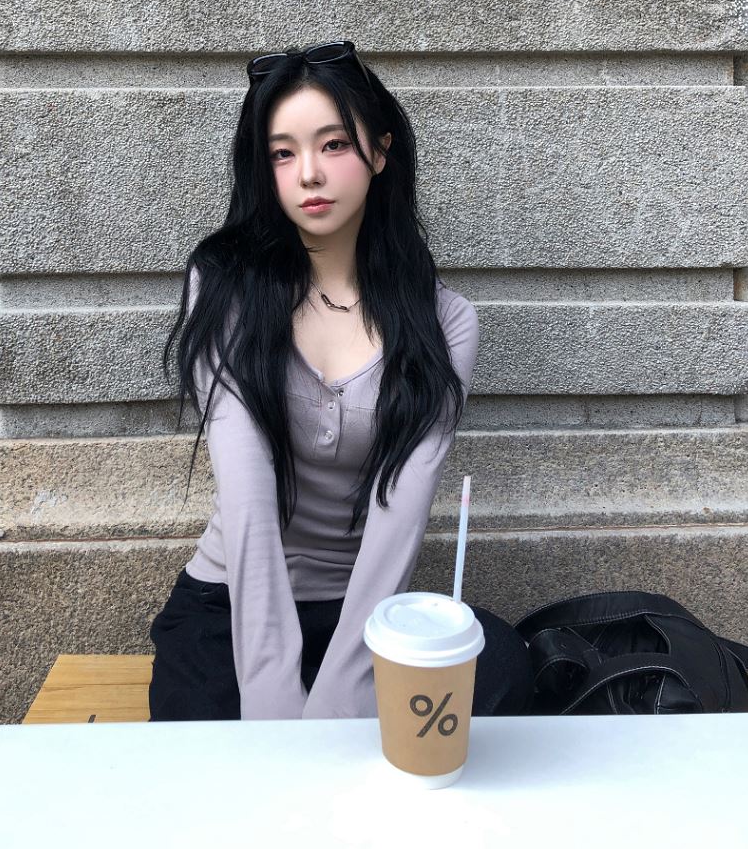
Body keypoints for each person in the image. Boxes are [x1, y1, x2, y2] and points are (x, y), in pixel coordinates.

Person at [148, 40, 533, 721]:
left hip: (364, 614)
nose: (309, 175)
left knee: (504, 669)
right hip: (232, 604)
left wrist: (339, 700)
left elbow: (400, 518)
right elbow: (247, 498)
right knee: (207, 759)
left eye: (332, 145)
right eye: (282, 153)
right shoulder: (225, 289)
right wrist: (273, 698)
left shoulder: (444, 322)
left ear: (379, 152)